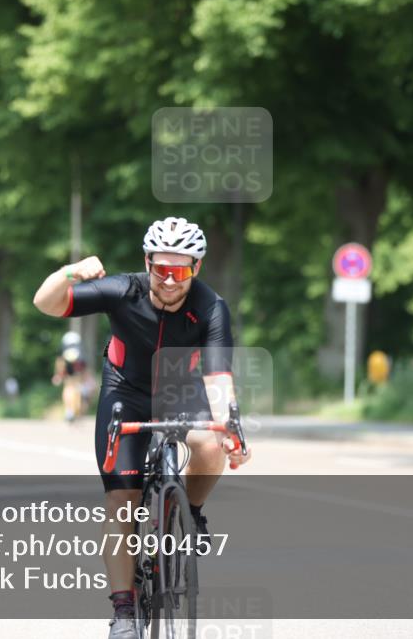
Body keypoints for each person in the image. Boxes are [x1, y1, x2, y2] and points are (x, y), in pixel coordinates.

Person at [33, 216, 252, 639]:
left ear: (196, 268)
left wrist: (231, 429)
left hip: (181, 390)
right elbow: (46, 304)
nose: (169, 280)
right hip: (125, 392)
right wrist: (69, 272)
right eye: (161, 268)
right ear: (147, 262)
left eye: (181, 270)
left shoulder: (211, 307)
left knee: (211, 443)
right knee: (122, 500)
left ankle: (190, 514)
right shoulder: (122, 290)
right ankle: (124, 611)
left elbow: (218, 378)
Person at [52, 340, 84, 423]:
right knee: (68, 391)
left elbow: (81, 372)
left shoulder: (79, 360)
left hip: (76, 380)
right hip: (69, 380)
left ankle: (74, 413)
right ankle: (69, 411)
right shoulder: (62, 360)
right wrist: (58, 376)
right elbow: (61, 372)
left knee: (75, 395)